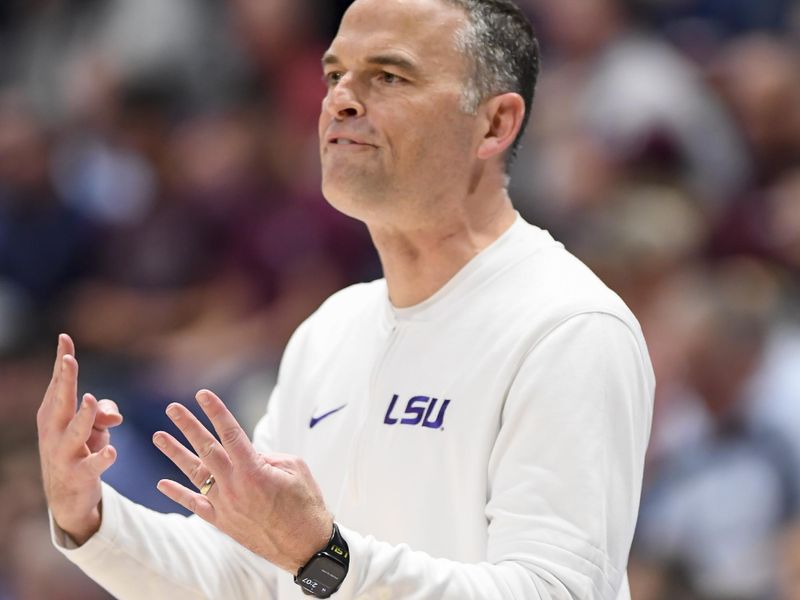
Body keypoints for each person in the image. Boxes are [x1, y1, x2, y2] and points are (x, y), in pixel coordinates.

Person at [37, 0, 655, 598]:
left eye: (388, 76)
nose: (340, 100)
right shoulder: (329, 330)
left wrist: (324, 557)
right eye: (335, 74)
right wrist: (90, 517)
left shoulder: (569, 327)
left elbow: (556, 592)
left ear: (494, 123)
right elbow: (248, 577)